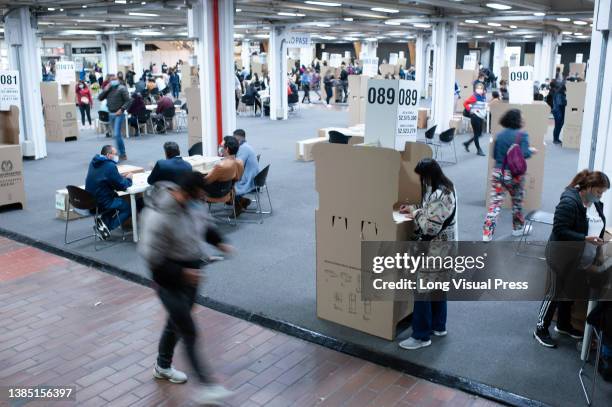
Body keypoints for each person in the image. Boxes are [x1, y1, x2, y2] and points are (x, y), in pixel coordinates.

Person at [138, 171, 234, 405]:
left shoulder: (192, 205)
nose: (198, 202)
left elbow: (203, 226)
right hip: (167, 280)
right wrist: (182, 273)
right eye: (195, 197)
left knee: (176, 322)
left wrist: (219, 241)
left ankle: (162, 366)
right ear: (182, 193)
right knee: (188, 330)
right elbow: (151, 257)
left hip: (191, 276)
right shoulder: (158, 215)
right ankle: (207, 387)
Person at [534, 170, 609, 348]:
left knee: (569, 291)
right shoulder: (569, 202)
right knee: (554, 292)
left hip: (580, 256)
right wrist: (584, 239)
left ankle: (563, 325)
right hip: (560, 255)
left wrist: (596, 250)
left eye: (603, 193)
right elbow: (560, 230)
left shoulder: (596, 204)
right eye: (599, 191)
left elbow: (597, 226)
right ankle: (541, 328)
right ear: (589, 187)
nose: (600, 196)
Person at [397, 158, 457, 350]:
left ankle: (421, 336)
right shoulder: (446, 187)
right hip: (444, 248)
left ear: (428, 175)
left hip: (436, 250)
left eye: (422, 177)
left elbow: (430, 227)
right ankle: (439, 326)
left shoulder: (440, 195)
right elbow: (434, 213)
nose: (421, 181)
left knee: (422, 290)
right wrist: (415, 209)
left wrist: (415, 215)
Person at [483, 109, 537, 241]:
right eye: (522, 117)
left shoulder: (499, 135)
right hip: (514, 175)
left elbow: (495, 155)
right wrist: (531, 151)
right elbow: (524, 153)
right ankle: (518, 229)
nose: (523, 119)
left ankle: (487, 233)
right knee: (517, 202)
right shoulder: (522, 135)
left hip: (498, 173)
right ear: (517, 120)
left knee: (495, 204)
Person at [85, 145, 133, 239]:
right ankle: (106, 228)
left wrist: (118, 176)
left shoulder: (94, 162)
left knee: (116, 199)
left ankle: (103, 222)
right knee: (128, 207)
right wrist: (129, 179)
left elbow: (104, 176)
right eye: (115, 154)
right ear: (108, 155)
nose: (117, 156)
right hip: (102, 201)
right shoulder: (110, 166)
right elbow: (122, 186)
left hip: (90, 200)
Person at [98, 74, 132, 161]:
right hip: (110, 113)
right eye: (111, 79)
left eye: (114, 79)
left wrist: (122, 109)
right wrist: (105, 89)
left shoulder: (122, 88)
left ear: (117, 79)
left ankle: (122, 154)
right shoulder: (108, 89)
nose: (113, 81)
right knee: (116, 135)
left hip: (119, 114)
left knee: (117, 134)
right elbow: (100, 98)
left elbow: (129, 100)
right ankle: (120, 153)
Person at [204, 136, 244, 201]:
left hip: (215, 194)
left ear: (227, 149)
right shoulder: (239, 162)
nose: (220, 148)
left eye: (221, 146)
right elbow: (236, 179)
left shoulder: (220, 167)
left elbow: (206, 181)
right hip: (228, 191)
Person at [232, 129, 260, 216]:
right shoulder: (246, 146)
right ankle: (243, 201)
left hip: (250, 179)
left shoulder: (243, 148)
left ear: (238, 139)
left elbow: (237, 165)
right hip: (255, 177)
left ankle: (238, 207)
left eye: (234, 139)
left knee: (229, 184)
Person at [462, 82, 487, 156]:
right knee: (477, 134)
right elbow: (465, 103)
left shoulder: (483, 96)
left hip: (480, 117)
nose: (481, 90)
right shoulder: (474, 96)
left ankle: (467, 143)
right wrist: (470, 110)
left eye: (482, 89)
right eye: (479, 88)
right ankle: (479, 149)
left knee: (479, 133)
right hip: (475, 117)